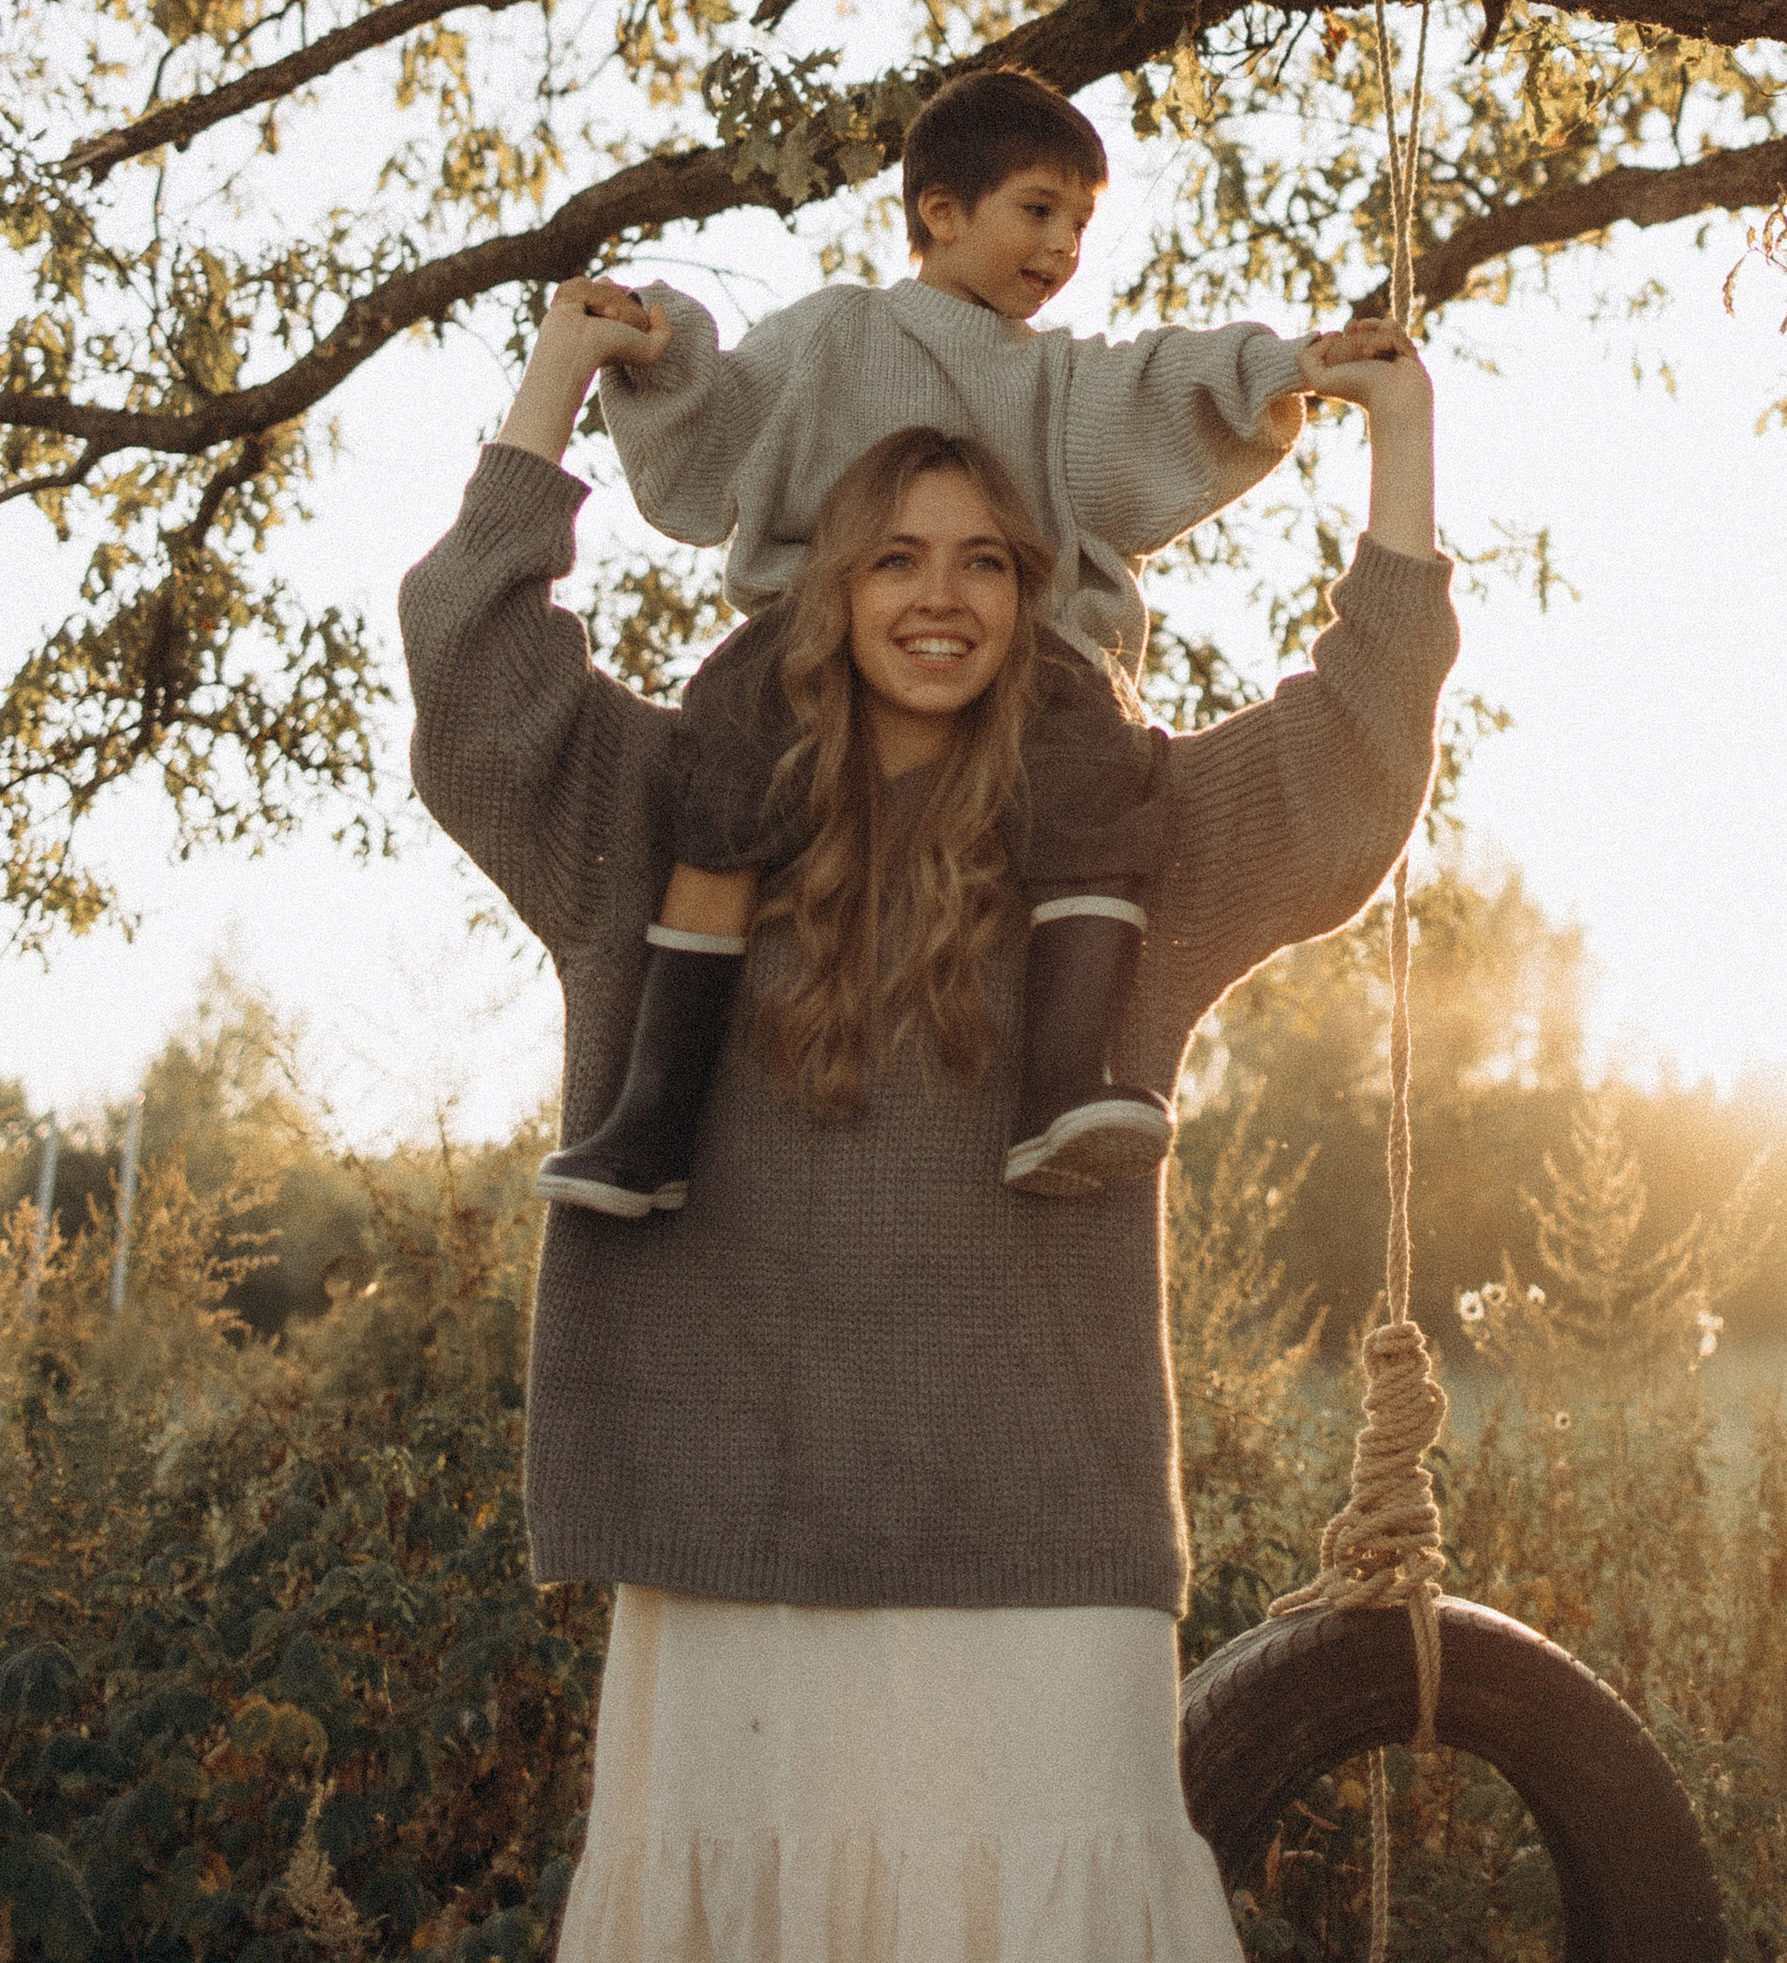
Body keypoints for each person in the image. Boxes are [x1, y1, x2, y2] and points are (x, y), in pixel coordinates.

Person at [401, 277, 1452, 1962]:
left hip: (1038, 1535)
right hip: (732, 1527)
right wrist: (557, 378)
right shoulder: (657, 813)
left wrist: (1401, 443)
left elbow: (1350, 763)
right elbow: (475, 678)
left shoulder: (1126, 834)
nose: (941, 597)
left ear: (1034, 596)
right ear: (828, 588)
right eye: (894, 559)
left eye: (984, 562)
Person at [539, 68, 1403, 1219]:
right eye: (1037, 210)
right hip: (816, 635)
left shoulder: (1055, 381)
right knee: (724, 754)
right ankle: (652, 1118)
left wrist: (1284, 367)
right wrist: (660, 347)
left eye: (1080, 224)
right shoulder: (839, 334)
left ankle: (1063, 1085)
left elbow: (1162, 380)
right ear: (941, 210)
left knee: (1097, 761)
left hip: (1020, 660)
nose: (1062, 247)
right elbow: (731, 412)